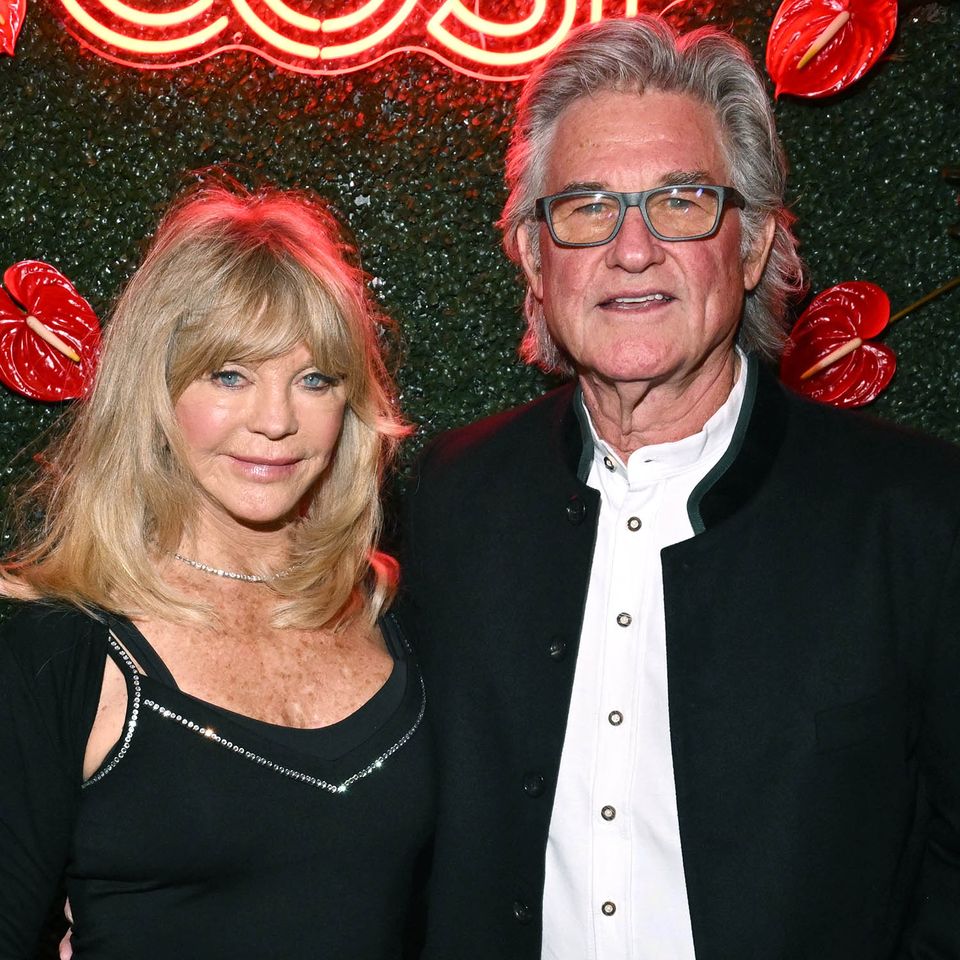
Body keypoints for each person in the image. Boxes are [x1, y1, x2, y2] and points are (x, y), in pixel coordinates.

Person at [400, 15, 960, 959]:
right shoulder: (447, 500)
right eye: (586, 208)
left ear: (751, 248)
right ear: (536, 261)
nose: (632, 250)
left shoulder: (919, 517)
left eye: (681, 202)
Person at [0, 184, 433, 959]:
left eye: (315, 380)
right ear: (155, 394)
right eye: (229, 375)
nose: (275, 421)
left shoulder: (393, 615)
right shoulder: (61, 651)